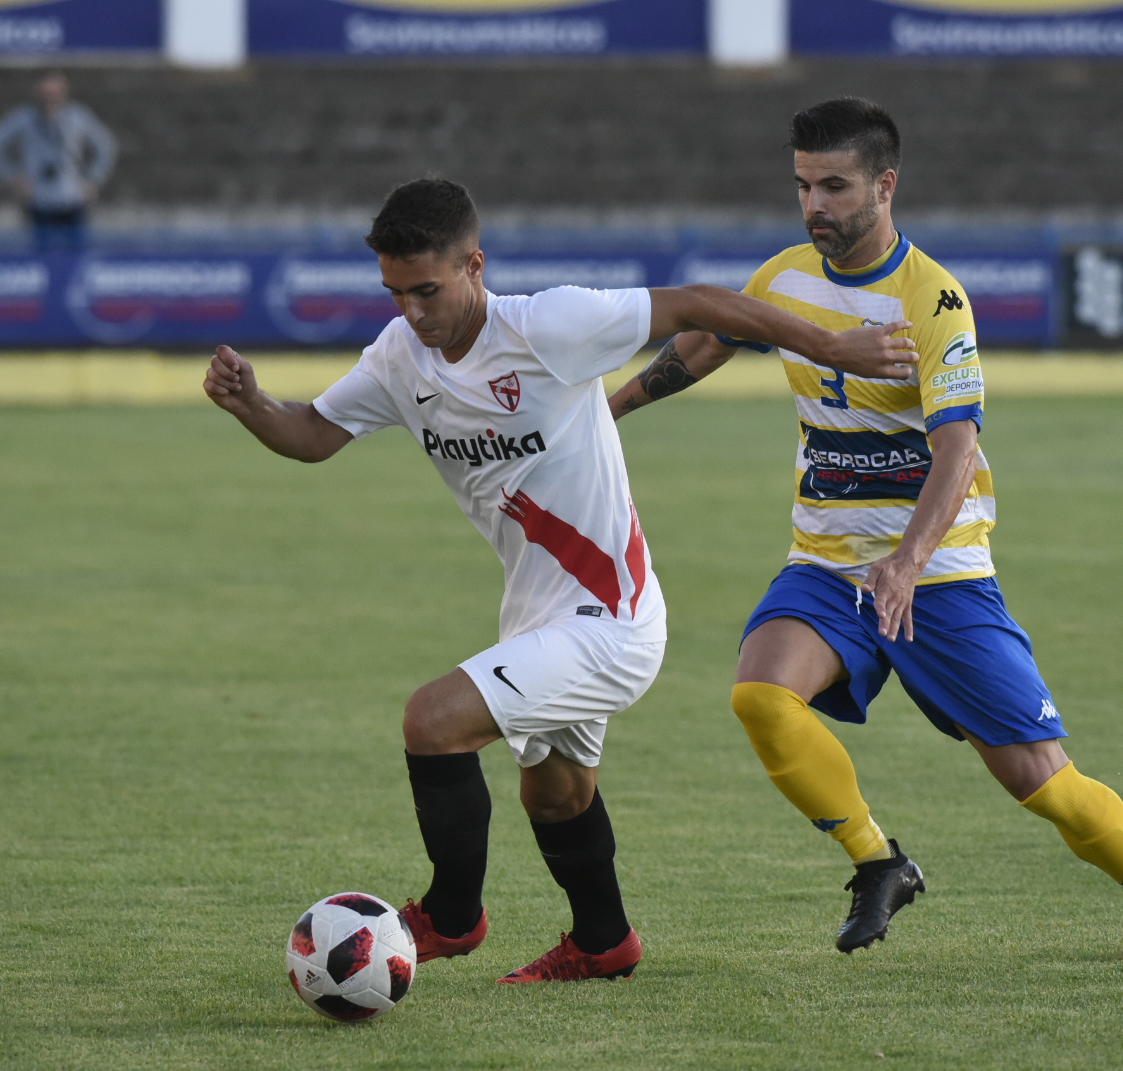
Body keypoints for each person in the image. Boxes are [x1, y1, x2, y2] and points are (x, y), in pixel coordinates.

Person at [203, 178, 909, 983]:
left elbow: (702, 303)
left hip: (614, 621)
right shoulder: (400, 356)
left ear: (475, 265)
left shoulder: (548, 326)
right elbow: (313, 435)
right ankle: (605, 944)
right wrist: (251, 403)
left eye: (428, 290)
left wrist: (837, 346)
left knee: (432, 721)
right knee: (557, 794)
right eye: (396, 294)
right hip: (537, 614)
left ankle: (451, 918)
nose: (413, 311)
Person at [608, 98, 1123, 962]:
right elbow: (704, 345)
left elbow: (957, 449)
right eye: (802, 186)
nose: (815, 204)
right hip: (827, 563)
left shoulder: (933, 300)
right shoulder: (782, 278)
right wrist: (610, 410)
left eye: (834, 186)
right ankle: (879, 863)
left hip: (939, 575)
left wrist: (907, 561)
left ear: (884, 185)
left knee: (1040, 783)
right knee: (760, 695)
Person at [0, 72, 117, 252]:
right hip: (39, 199)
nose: (49, 99)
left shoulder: (77, 117)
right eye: (45, 94)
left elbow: (106, 146)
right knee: (41, 255)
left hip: (72, 199)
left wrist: (93, 180)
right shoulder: (25, 118)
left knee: (77, 256)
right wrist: (13, 178)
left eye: (53, 93)